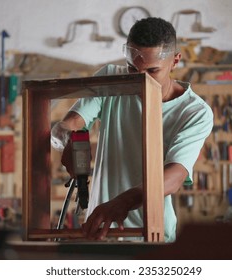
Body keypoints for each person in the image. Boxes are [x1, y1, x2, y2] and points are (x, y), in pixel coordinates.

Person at [51, 17, 213, 242]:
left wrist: (122, 203)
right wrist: (67, 139)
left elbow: (174, 176)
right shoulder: (111, 79)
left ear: (175, 61)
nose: (138, 80)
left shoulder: (194, 112)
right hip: (100, 230)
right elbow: (67, 125)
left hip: (152, 235)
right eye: (131, 68)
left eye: (152, 71)